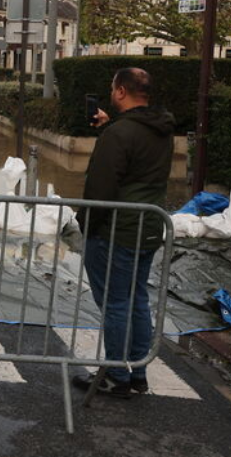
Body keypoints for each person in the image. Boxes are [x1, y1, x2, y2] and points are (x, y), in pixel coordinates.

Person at [73, 67, 175, 399]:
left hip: (116, 230)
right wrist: (110, 127)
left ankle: (116, 375)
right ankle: (138, 372)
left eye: (112, 87)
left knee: (116, 303)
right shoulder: (160, 129)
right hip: (148, 227)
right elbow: (137, 159)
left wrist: (86, 225)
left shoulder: (119, 135)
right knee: (137, 300)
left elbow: (101, 187)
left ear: (120, 92)